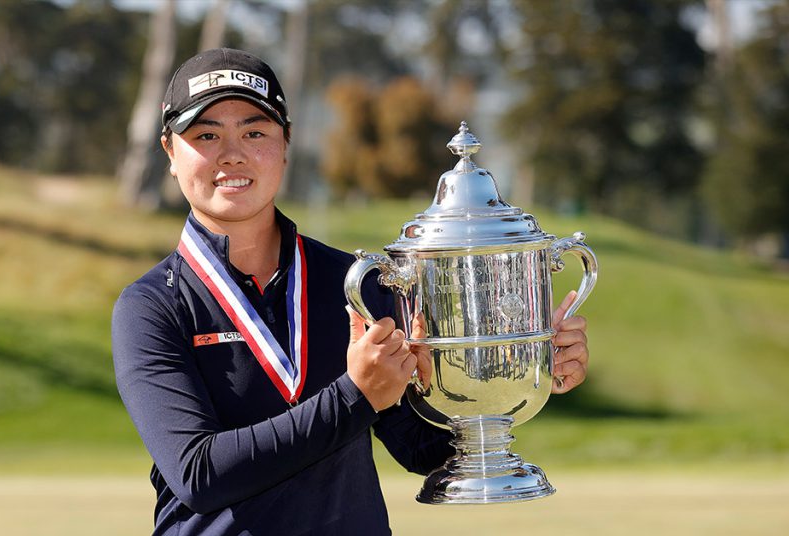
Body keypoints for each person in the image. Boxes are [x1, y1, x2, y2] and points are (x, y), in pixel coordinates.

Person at [112, 48, 590, 536]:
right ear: (170, 152)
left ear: (285, 142)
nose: (232, 153)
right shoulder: (151, 307)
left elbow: (421, 447)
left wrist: (516, 371)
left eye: (254, 133)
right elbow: (198, 474)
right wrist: (356, 395)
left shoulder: (355, 282)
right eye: (206, 135)